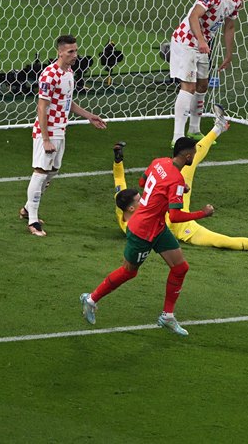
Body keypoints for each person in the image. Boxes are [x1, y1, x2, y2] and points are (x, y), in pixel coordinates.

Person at [80, 137, 214, 336]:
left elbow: (143, 182)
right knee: (129, 271)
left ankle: (167, 316)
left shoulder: (158, 162)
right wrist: (202, 213)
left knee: (180, 268)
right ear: (187, 156)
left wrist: (173, 191)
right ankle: (90, 299)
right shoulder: (176, 179)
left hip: (157, 227)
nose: (194, 156)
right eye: (193, 153)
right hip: (142, 231)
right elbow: (175, 216)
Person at [112, 108, 248, 253]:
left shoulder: (124, 204)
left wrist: (117, 161)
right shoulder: (133, 228)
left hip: (174, 196)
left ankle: (219, 127)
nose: (141, 197)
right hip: (182, 228)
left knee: (190, 160)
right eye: (138, 199)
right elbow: (174, 217)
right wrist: (201, 213)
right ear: (131, 208)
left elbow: (120, 180)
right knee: (221, 241)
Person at [20, 34, 106, 237]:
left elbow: (68, 102)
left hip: (60, 130)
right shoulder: (49, 75)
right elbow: (42, 108)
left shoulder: (69, 73)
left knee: (52, 171)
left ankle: (26, 208)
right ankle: (32, 220)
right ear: (60, 52)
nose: (75, 55)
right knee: (40, 172)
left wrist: (89, 116)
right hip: (47, 131)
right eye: (71, 51)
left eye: (76, 50)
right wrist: (46, 138)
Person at [169, 0, 243, 145]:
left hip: (202, 44)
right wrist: (202, 40)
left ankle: (194, 130)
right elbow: (194, 16)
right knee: (189, 87)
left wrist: (228, 54)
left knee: (202, 85)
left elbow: (230, 26)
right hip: (186, 39)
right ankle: (178, 137)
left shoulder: (237, 1)